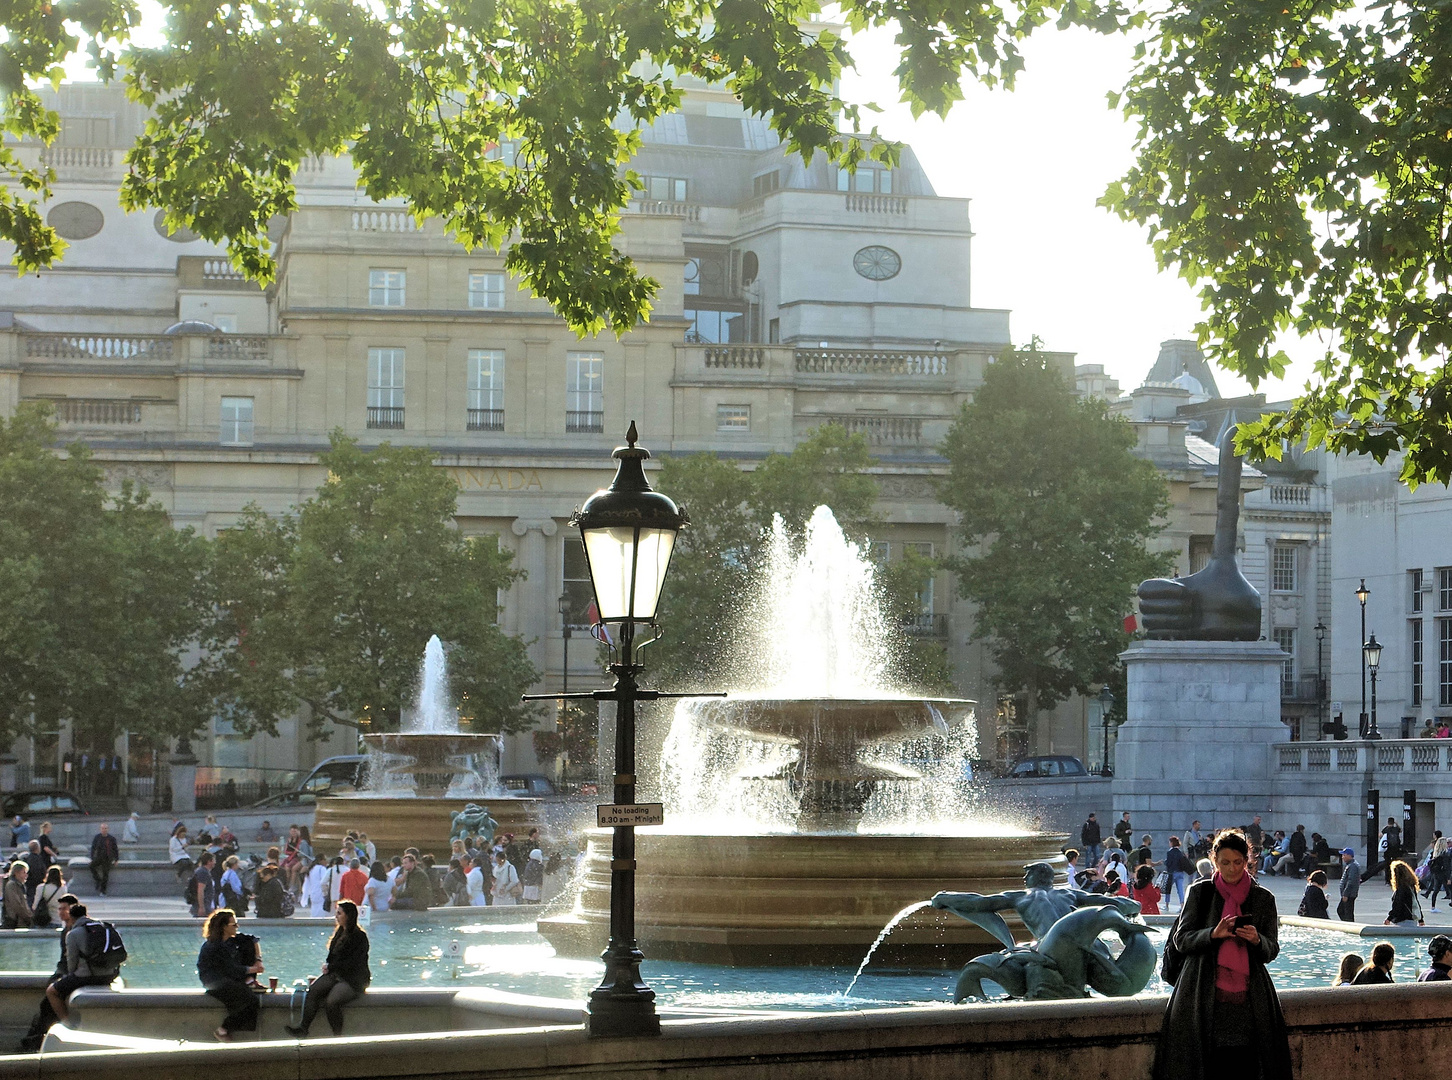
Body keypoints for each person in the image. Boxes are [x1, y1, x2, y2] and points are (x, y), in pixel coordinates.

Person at [1151, 829, 1291, 1080]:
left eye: (1238, 862)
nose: (1232, 869)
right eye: (1225, 862)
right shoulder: (1200, 892)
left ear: (1248, 860)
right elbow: (1181, 940)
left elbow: (1272, 949)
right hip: (1201, 995)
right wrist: (1212, 934)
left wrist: (1258, 940)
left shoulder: (1263, 898)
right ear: (1214, 861)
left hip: (1250, 999)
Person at [285, 899, 370, 1038]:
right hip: (336, 974)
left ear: (348, 915)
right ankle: (303, 1028)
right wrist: (327, 966)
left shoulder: (359, 937)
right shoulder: (339, 933)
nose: (336, 916)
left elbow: (353, 962)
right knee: (312, 991)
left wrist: (331, 966)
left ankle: (337, 1035)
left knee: (332, 1002)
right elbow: (332, 956)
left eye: (339, 913)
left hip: (353, 978)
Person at [45, 901, 123, 1024]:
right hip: (109, 975)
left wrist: (69, 976)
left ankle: (67, 1023)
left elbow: (72, 964)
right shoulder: (104, 927)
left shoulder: (73, 934)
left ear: (71, 917)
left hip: (87, 977)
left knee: (51, 991)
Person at [198, 907, 263, 1041]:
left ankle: (249, 981)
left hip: (228, 976)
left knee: (246, 945)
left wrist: (258, 960)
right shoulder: (215, 946)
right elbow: (231, 969)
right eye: (234, 925)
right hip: (214, 981)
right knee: (251, 1001)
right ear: (223, 927)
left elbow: (253, 940)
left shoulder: (231, 939)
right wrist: (254, 969)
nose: (237, 927)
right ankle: (223, 1030)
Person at [1385, 860, 1424, 927]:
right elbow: (1416, 903)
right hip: (1412, 919)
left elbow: (1397, 906)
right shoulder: (1411, 887)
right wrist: (1421, 919)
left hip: (1402, 920)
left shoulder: (1401, 889)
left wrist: (1389, 918)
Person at [88, 822, 119, 896]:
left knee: (105, 875)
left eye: (105, 828)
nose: (104, 830)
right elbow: (93, 848)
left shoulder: (111, 838)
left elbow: (115, 849)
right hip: (99, 857)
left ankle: (103, 891)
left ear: (108, 829)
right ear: (100, 829)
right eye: (102, 828)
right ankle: (98, 880)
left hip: (108, 858)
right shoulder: (97, 837)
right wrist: (92, 857)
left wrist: (116, 859)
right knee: (91, 866)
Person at [1163, 837, 1192, 911]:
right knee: (1180, 890)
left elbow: (1168, 863)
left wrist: (1164, 862)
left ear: (1172, 843)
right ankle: (1182, 905)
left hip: (1172, 873)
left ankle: (1166, 905)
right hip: (1180, 873)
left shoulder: (1170, 852)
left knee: (1168, 889)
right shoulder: (1180, 852)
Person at [3, 862, 32, 929]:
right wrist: (27, 916)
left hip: (21, 920)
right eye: (24, 872)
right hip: (15, 921)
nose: (26, 875)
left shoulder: (20, 885)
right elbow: (16, 904)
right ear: (16, 873)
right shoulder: (11, 885)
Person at [1427, 836, 1452, 913]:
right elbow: (1447, 867)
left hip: (1436, 874)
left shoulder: (1435, 854)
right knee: (1450, 888)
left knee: (1436, 890)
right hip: (1443, 874)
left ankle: (1433, 907)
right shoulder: (1445, 854)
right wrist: (1448, 878)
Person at [190, 852, 218, 917]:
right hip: (203, 905)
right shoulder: (203, 872)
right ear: (209, 861)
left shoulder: (204, 871)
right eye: (214, 860)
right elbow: (200, 890)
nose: (215, 862)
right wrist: (201, 907)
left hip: (206, 904)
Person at [1337, 847, 1360, 922]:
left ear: (1349, 855)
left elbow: (1351, 881)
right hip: (1348, 894)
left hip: (1349, 894)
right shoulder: (1350, 865)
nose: (1342, 857)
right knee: (1344, 911)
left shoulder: (1352, 866)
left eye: (1344, 855)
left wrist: (1345, 894)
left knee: (1346, 912)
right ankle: (1347, 924)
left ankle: (1349, 925)